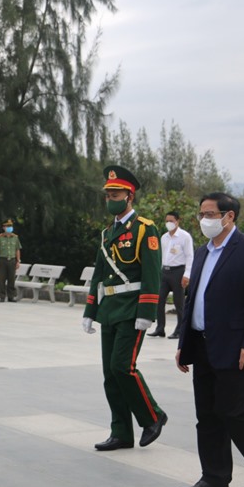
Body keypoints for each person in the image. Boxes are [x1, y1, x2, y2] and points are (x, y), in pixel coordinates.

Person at [176, 192, 244, 487]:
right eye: (201, 214)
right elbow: (193, 299)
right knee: (206, 415)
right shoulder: (202, 252)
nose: (203, 220)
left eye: (210, 214)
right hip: (203, 344)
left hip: (237, 349)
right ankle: (214, 478)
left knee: (231, 411)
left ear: (229, 216)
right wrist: (184, 342)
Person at [82, 165, 167, 452]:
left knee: (123, 367)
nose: (110, 199)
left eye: (115, 194)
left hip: (133, 310)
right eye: (107, 195)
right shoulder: (108, 233)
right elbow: (98, 274)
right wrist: (90, 311)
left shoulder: (145, 228)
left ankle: (153, 416)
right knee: (110, 373)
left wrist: (147, 313)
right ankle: (121, 432)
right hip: (110, 310)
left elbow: (153, 274)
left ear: (129, 196)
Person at [148, 211, 193, 339]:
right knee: (159, 300)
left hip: (178, 271)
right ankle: (160, 328)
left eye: (171, 221)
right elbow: (161, 256)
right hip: (165, 272)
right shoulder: (164, 237)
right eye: (167, 221)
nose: (169, 223)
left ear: (177, 221)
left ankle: (180, 330)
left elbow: (190, 256)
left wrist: (187, 274)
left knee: (179, 303)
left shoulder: (184, 236)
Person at [0, 219, 22, 303]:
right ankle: (2, 296)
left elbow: (17, 250)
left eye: (11, 226)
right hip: (2, 260)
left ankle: (11, 296)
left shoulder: (15, 237)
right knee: (1, 279)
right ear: (3, 227)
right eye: (8, 226)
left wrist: (18, 261)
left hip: (12, 260)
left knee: (11, 279)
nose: (10, 228)